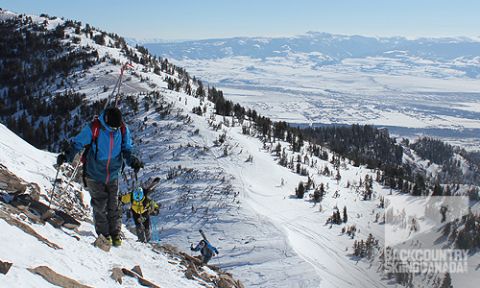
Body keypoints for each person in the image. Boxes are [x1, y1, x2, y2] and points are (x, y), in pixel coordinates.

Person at [57, 107, 143, 246]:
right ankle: (104, 235)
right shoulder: (94, 128)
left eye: (117, 127)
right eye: (112, 127)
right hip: (94, 174)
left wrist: (132, 160)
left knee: (114, 205)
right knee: (100, 205)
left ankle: (115, 235)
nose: (114, 129)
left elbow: (126, 148)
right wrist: (66, 156)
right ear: (107, 121)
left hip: (113, 173)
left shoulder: (121, 129)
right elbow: (78, 143)